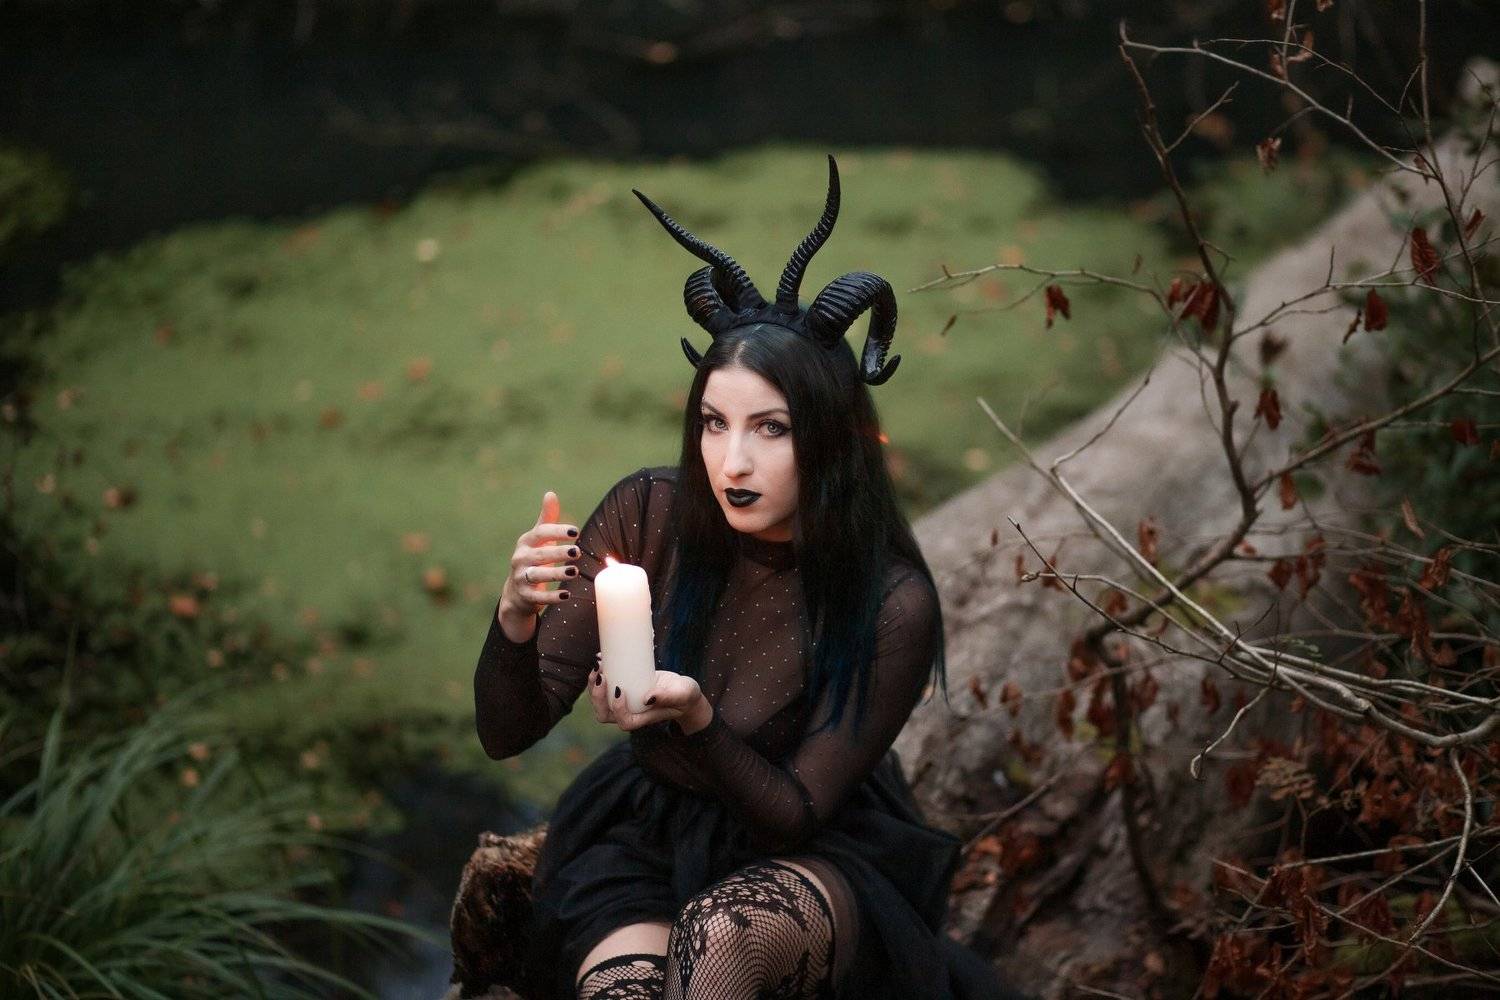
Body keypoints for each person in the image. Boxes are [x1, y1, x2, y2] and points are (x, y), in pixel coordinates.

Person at [474, 156, 1019, 1000]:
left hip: (811, 855)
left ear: (828, 438)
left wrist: (694, 717)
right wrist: (514, 619)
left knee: (718, 941)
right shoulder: (648, 514)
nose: (732, 462)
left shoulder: (892, 601)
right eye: (713, 423)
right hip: (650, 839)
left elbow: (792, 813)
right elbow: (507, 732)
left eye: (771, 428)